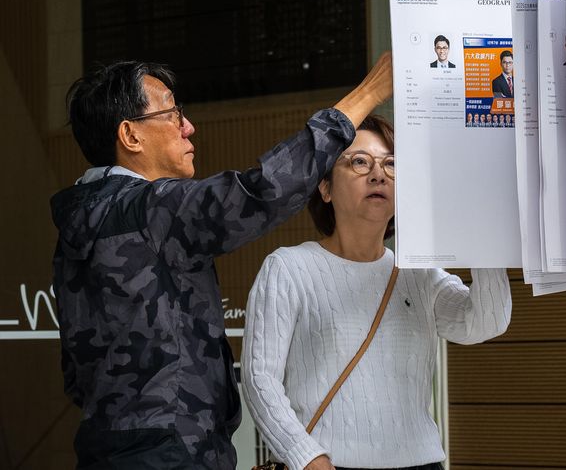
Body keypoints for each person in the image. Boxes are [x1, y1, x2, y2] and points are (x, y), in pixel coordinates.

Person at [51, 54, 393, 469]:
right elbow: (264, 191)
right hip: (174, 454)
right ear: (130, 135)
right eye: (173, 112)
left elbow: (77, 375)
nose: (188, 126)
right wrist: (370, 92)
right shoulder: (150, 210)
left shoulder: (82, 224)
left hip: (107, 450)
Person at [242, 115, 512, 470]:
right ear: (325, 188)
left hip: (420, 462)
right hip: (328, 465)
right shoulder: (289, 269)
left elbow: (485, 323)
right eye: (359, 162)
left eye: (391, 164)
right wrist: (305, 457)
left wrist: (485, 232)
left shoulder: (419, 273)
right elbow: (259, 377)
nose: (378, 174)